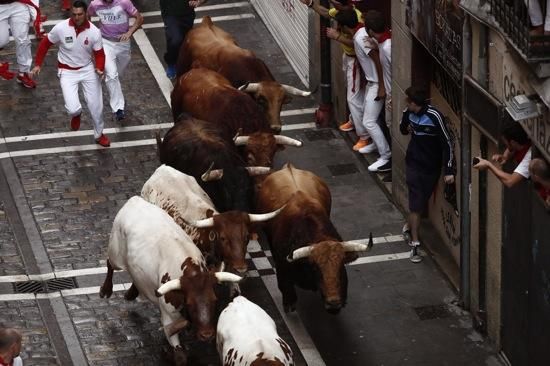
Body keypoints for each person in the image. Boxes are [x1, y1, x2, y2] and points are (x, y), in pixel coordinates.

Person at [30, 0, 111, 147]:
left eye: (80, 14)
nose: (77, 17)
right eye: (74, 14)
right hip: (67, 72)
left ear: (86, 14)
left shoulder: (94, 32)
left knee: (96, 107)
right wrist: (37, 64)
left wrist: (99, 68)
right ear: (70, 13)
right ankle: (76, 114)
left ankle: (99, 135)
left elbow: (100, 54)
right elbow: (45, 44)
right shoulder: (61, 28)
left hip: (87, 70)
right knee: (73, 108)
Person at [299, 1, 369, 151]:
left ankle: (364, 136)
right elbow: (325, 12)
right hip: (348, 57)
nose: (332, 3)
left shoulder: (356, 17)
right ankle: (354, 121)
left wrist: (337, 37)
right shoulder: (340, 11)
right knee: (353, 93)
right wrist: (310, 3)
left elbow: (357, 42)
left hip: (356, 60)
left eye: (334, 2)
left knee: (353, 97)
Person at [400, 86, 455, 263]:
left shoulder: (434, 116)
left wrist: (448, 170)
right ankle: (415, 244)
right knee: (416, 203)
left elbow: (447, 143)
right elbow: (402, 129)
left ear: (414, 103)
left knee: (422, 200)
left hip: (431, 166)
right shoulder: (408, 113)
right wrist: (406, 125)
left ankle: (409, 226)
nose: (405, 103)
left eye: (407, 101)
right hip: (413, 163)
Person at [335, 9, 390, 172]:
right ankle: (376, 144)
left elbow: (377, 61)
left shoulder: (359, 38)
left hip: (376, 85)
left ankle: (385, 155)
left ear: (344, 26)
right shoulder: (359, 35)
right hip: (372, 83)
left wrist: (380, 86)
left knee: (368, 121)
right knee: (372, 118)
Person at [88, 0, 144, 121]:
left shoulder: (125, 2)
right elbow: (88, 15)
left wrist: (130, 32)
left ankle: (111, 84)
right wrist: (92, 32)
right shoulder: (95, 4)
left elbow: (139, 18)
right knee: (112, 75)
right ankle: (118, 108)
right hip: (105, 42)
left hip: (123, 44)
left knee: (116, 75)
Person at [473, 121, 532, 188]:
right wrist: (505, 157)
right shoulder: (520, 144)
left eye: (505, 143)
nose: (505, 145)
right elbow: (511, 149)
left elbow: (510, 181)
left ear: (513, 142)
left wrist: (488, 165)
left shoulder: (529, 156)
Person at [363, 10, 391, 145]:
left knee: (390, 124)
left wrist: (382, 87)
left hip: (391, 93)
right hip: (389, 91)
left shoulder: (387, 47)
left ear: (370, 30)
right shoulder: (384, 42)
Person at [160, 0, 207, 79]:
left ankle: (183, 61)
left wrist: (199, 1)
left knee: (185, 40)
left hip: (187, 14)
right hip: (170, 13)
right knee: (175, 40)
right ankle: (171, 62)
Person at [0, 0, 39, 88]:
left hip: (19, 4)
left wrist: (35, 15)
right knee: (2, 41)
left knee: (23, 40)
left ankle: (24, 72)